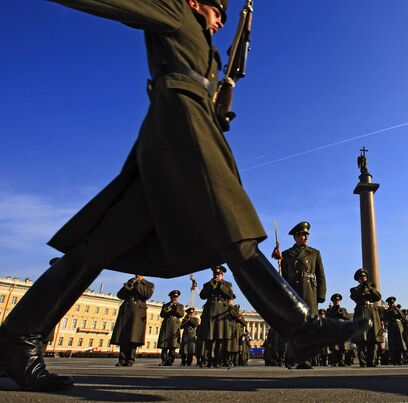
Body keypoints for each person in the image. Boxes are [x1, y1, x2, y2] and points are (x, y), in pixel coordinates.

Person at [0, 0, 368, 391]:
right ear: (195, 2)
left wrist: (218, 104)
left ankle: (17, 340)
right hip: (180, 121)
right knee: (227, 214)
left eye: (226, 15)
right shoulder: (175, 10)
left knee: (101, 241)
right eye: (216, 10)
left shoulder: (206, 49)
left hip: (179, 129)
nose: (221, 20)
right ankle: (301, 325)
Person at [280, 221, 327, 369]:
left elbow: (320, 276)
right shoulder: (286, 254)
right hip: (293, 292)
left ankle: (307, 359)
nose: (305, 237)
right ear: (295, 237)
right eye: (302, 235)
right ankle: (295, 357)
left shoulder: (314, 253)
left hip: (309, 292)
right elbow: (284, 277)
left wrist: (320, 295)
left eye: (307, 235)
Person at [111, 275, 154, 367]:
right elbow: (120, 295)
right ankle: (122, 359)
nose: (137, 275)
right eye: (136, 274)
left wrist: (138, 283)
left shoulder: (149, 284)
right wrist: (127, 286)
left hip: (137, 312)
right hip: (126, 310)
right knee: (123, 337)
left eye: (139, 274)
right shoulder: (130, 281)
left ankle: (130, 359)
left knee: (133, 337)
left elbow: (146, 295)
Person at [199, 266, 234, 367]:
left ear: (222, 274)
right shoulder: (208, 284)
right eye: (215, 274)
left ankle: (218, 360)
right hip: (209, 312)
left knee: (220, 338)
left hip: (221, 313)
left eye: (218, 274)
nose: (216, 276)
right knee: (208, 338)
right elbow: (202, 296)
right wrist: (210, 286)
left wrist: (219, 286)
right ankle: (206, 359)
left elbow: (230, 295)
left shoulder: (227, 284)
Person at [350, 269, 383, 367]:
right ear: (358, 280)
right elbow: (355, 297)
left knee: (372, 338)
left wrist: (370, 288)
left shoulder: (371, 287)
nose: (363, 278)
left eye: (364, 277)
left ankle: (371, 361)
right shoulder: (354, 289)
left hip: (372, 312)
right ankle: (363, 361)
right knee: (361, 339)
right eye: (361, 278)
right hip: (361, 312)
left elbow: (378, 297)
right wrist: (362, 287)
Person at [158, 290, 185, 366]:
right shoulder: (166, 305)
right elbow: (162, 314)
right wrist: (168, 310)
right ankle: (163, 360)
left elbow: (181, 314)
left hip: (174, 326)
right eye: (174, 297)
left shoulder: (180, 306)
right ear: (170, 297)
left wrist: (174, 309)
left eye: (176, 297)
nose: (175, 298)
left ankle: (170, 361)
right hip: (166, 325)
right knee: (164, 345)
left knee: (172, 345)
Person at [325, 293, 351, 367]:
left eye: (338, 300)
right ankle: (334, 361)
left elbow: (347, 317)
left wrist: (341, 314)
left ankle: (341, 361)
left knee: (342, 347)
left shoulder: (343, 309)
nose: (337, 301)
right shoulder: (329, 310)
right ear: (333, 301)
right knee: (334, 347)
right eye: (335, 300)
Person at [383, 297, 407, 365]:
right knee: (393, 344)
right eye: (390, 303)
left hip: (399, 327)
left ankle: (400, 359)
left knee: (400, 343)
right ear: (388, 304)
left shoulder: (398, 310)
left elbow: (403, 317)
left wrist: (397, 309)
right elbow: (385, 318)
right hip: (391, 327)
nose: (392, 304)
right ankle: (394, 360)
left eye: (393, 303)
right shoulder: (386, 311)